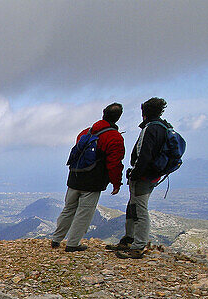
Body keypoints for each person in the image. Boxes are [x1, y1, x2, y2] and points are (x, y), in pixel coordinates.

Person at [49, 103, 125, 252]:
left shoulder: (85, 132)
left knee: (68, 209)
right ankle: (73, 244)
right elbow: (114, 163)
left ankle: (56, 239)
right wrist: (116, 183)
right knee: (84, 212)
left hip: (75, 177)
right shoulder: (114, 137)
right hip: (93, 181)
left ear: (103, 113)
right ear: (118, 117)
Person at [116, 97, 171, 258]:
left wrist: (135, 174)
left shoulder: (150, 128)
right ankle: (130, 239)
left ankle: (138, 246)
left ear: (144, 112)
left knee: (139, 210)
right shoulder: (162, 127)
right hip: (152, 175)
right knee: (134, 207)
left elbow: (144, 155)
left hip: (144, 176)